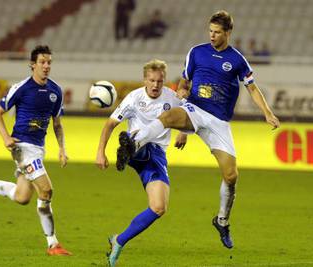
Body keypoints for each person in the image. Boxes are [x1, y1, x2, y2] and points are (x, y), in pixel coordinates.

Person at [116, 10, 280, 249]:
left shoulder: (236, 60)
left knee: (231, 176)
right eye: (210, 31)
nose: (212, 36)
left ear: (227, 33)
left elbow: (253, 89)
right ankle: (134, 143)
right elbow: (184, 81)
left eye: (217, 32)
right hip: (195, 109)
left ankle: (222, 221)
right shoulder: (196, 52)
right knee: (169, 116)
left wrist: (267, 113)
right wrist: (182, 92)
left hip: (219, 122)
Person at [0, 45, 71, 256]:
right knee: (47, 190)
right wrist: (5, 137)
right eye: (42, 62)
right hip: (21, 147)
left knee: (22, 197)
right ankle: (53, 244)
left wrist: (62, 148)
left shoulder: (55, 91)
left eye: (49, 62)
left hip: (39, 148)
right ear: (32, 65)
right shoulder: (21, 88)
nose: (46, 66)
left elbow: (57, 124)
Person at [95, 59, 183, 266]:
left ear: (164, 81)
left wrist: (183, 133)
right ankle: (131, 146)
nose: (155, 85)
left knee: (159, 207)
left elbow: (186, 116)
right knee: (138, 137)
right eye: (151, 80)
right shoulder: (133, 98)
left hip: (157, 157)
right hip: (138, 147)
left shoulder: (173, 98)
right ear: (144, 80)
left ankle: (119, 240)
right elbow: (109, 125)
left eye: (159, 81)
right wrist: (100, 152)